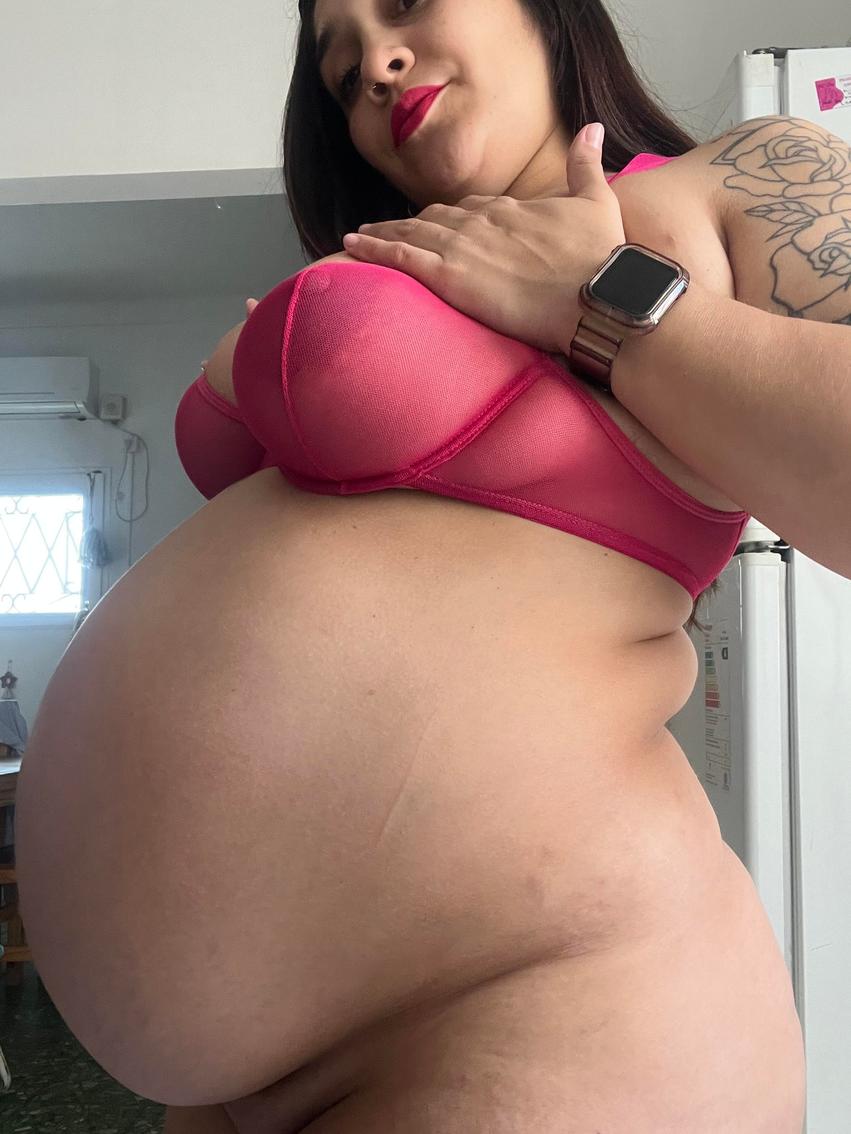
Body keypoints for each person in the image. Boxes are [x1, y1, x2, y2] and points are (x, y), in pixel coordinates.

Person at [23, 0, 851, 1129]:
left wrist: (600, 293)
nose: (373, 62)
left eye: (403, 4)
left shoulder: (742, 177)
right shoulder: (411, 255)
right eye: (337, 66)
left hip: (542, 1006)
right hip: (248, 1079)